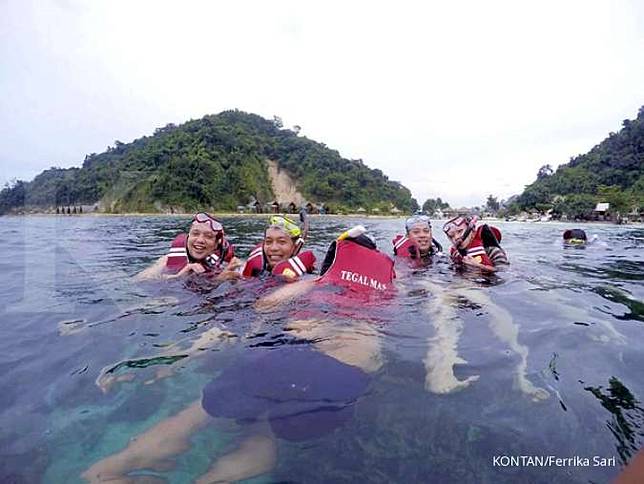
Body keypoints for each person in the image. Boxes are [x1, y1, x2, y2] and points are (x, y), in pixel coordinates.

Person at [82, 227, 394, 483]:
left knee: (199, 414)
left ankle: (113, 467)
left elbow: (265, 306)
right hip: (343, 377)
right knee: (266, 433)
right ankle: (214, 476)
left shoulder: (317, 281)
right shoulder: (388, 290)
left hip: (284, 355)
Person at [135, 212, 241, 281]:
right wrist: (178, 276)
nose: (200, 240)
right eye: (195, 234)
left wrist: (222, 279)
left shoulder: (227, 263)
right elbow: (139, 280)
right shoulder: (166, 260)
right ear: (188, 237)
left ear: (216, 244)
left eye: (208, 236)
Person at [241, 215, 316, 280]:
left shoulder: (308, 279)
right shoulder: (254, 269)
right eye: (268, 242)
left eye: (282, 242)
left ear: (295, 246)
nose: (274, 248)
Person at [442, 215, 507, 272]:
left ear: (472, 231)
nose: (456, 238)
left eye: (460, 231)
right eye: (451, 236)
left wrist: (479, 266)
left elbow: (503, 272)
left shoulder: (493, 251)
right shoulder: (455, 254)